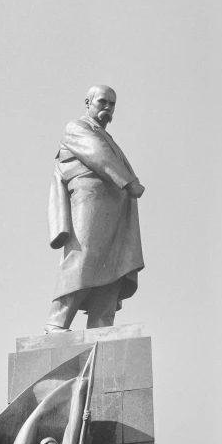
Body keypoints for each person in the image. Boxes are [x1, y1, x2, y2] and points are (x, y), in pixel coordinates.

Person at [45, 85, 145, 332]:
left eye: (112, 104)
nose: (108, 108)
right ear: (88, 102)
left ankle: (101, 325)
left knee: (115, 265)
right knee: (84, 256)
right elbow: (97, 154)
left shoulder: (107, 136)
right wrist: (129, 181)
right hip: (90, 200)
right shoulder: (77, 128)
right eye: (103, 102)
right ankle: (56, 322)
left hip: (116, 207)